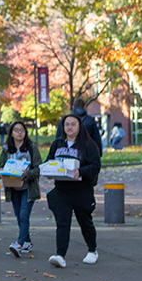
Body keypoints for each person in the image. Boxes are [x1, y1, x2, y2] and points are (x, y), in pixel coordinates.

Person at [45, 114, 102, 268]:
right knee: (62, 223)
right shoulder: (57, 144)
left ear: (79, 126)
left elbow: (95, 166)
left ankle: (92, 250)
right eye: (66, 124)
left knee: (85, 222)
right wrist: (49, 172)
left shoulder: (88, 145)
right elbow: (49, 161)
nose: (69, 127)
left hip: (81, 190)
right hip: (62, 190)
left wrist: (80, 171)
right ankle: (60, 255)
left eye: (73, 124)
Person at [0, 121, 41, 258]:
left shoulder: (32, 148)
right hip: (13, 188)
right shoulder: (6, 149)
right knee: (19, 216)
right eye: (16, 130)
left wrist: (27, 174)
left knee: (23, 215)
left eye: (22, 130)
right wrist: (1, 171)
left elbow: (38, 168)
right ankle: (27, 241)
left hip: (28, 188)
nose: (19, 132)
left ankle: (19, 244)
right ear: (11, 133)